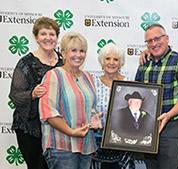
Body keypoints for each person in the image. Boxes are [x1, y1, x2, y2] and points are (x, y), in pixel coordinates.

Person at [135, 23, 178, 169]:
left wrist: (168, 115)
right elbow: (137, 92)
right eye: (149, 41)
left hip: (172, 127)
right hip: (147, 127)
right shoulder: (145, 63)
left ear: (167, 39)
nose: (154, 43)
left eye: (157, 38)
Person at [9, 16, 62, 169]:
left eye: (52, 34)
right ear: (36, 37)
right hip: (31, 128)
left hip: (57, 127)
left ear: (57, 37)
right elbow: (15, 94)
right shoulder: (25, 63)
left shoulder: (63, 62)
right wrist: (32, 94)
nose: (48, 38)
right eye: (43, 34)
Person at [39, 32, 97, 169]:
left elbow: (91, 107)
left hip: (86, 146)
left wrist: (95, 118)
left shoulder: (88, 77)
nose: (79, 54)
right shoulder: (53, 76)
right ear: (64, 53)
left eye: (82, 51)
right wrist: (71, 132)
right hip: (61, 146)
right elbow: (49, 112)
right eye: (74, 50)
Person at [91, 43, 134, 169]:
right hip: (97, 139)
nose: (111, 62)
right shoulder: (92, 82)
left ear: (121, 63)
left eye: (116, 59)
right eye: (107, 58)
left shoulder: (129, 82)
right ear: (101, 61)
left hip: (123, 141)